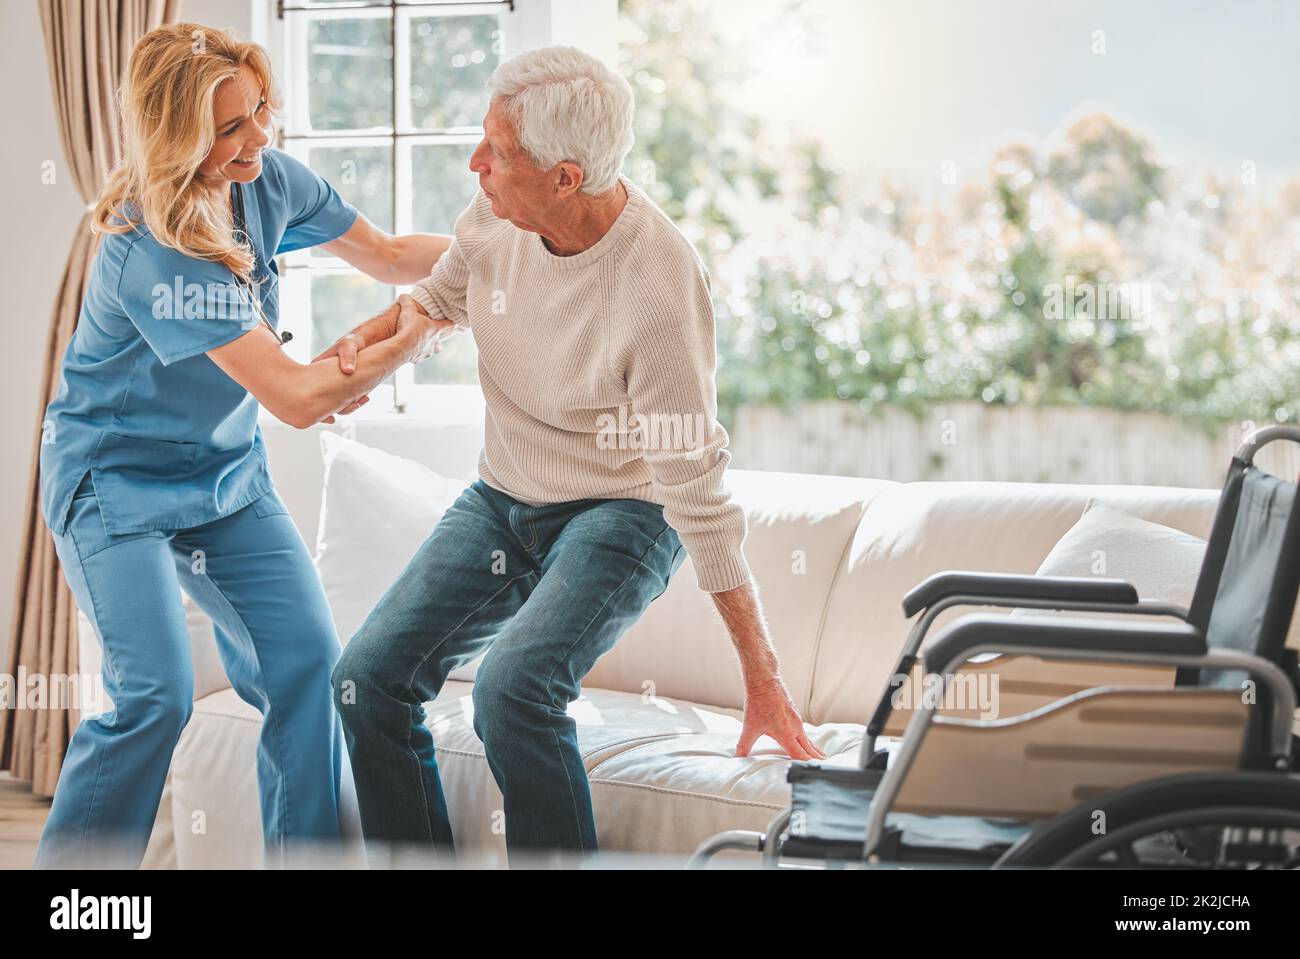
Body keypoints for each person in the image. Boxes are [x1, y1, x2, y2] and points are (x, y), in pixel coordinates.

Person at [330, 45, 825, 867]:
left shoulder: (657, 285)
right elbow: (436, 299)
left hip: (623, 510)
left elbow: (695, 491)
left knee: (513, 688)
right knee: (368, 679)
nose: (475, 163)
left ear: (566, 176)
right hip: (502, 498)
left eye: (500, 152)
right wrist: (372, 358)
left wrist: (762, 675)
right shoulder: (496, 215)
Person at [35, 22, 449, 869]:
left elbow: (392, 255)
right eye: (230, 127)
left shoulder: (267, 180)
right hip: (114, 484)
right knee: (156, 692)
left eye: (259, 109)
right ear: (177, 138)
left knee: (308, 668)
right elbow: (297, 397)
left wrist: (509, 246)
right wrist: (416, 336)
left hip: (224, 480)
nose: (258, 135)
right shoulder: (153, 249)